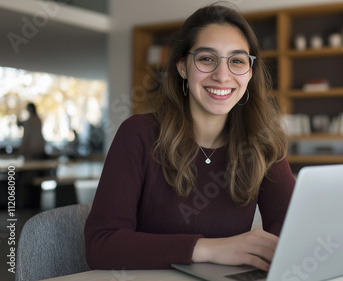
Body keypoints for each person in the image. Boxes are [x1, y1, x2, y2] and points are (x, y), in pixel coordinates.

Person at [84, 3, 295, 272]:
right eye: (207, 58)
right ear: (183, 67)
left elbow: (289, 228)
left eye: (237, 61)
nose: (222, 75)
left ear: (250, 73)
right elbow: (101, 245)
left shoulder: (262, 142)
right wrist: (207, 248)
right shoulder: (139, 134)